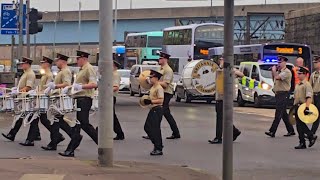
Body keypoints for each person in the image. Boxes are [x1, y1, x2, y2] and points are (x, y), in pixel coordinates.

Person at [59, 50, 98, 157]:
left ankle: (101, 144)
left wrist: (81, 87)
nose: (77, 61)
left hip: (85, 98)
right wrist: (71, 88)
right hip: (79, 98)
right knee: (80, 124)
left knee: (83, 124)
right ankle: (70, 149)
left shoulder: (89, 69)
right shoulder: (82, 69)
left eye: (78, 59)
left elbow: (94, 84)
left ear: (83, 59)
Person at [20, 56, 65, 146]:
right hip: (40, 97)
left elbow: (47, 88)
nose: (41, 64)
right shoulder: (45, 74)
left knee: (36, 118)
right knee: (40, 119)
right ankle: (57, 136)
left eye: (43, 63)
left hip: (43, 99)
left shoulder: (49, 75)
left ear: (47, 64)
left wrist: (39, 94)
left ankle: (30, 139)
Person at [41, 53, 80, 151]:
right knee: (57, 121)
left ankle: (70, 137)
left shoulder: (65, 71)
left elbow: (67, 83)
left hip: (61, 98)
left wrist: (55, 86)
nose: (56, 63)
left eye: (57, 61)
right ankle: (55, 141)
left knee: (57, 120)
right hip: (57, 97)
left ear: (62, 61)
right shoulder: (61, 71)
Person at [143, 52, 180, 140]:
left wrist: (153, 82)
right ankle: (175, 132)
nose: (159, 60)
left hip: (166, 93)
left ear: (165, 59)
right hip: (162, 92)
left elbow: (165, 84)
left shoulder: (168, 70)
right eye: (159, 58)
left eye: (161, 58)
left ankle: (153, 132)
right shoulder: (161, 68)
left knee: (158, 113)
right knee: (166, 114)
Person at [208, 57, 242, 144]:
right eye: (220, 60)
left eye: (222, 60)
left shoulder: (230, 70)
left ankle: (218, 137)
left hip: (225, 98)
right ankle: (235, 131)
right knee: (223, 118)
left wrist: (229, 68)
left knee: (221, 118)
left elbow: (241, 74)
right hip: (219, 96)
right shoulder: (219, 71)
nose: (220, 61)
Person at [2, 57, 36, 142]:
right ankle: (12, 134)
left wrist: (17, 91)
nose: (22, 65)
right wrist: (16, 89)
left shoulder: (30, 74)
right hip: (23, 98)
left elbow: (28, 87)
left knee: (32, 119)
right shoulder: (25, 73)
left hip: (27, 98)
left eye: (23, 64)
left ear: (27, 64)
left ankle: (29, 139)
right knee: (21, 117)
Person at [265, 55, 295, 138]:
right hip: (278, 94)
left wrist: (274, 71)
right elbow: (274, 79)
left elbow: (277, 77)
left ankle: (272, 131)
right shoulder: (280, 71)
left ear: (285, 62)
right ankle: (291, 130)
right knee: (284, 114)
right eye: (278, 62)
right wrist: (273, 71)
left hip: (283, 94)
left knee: (278, 113)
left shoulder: (287, 72)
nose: (279, 63)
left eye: (280, 62)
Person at [96, 61, 125, 140]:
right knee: (109, 115)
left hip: (110, 97)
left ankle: (100, 130)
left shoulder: (115, 74)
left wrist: (105, 91)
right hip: (108, 97)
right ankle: (119, 133)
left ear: (114, 66)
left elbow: (115, 87)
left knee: (109, 115)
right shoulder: (110, 74)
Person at [293, 66, 317, 149]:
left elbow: (309, 97)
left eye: (300, 74)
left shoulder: (307, 85)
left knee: (301, 124)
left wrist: (307, 108)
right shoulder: (298, 85)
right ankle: (304, 141)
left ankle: (309, 137)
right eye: (298, 73)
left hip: (303, 106)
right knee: (299, 125)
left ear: (305, 74)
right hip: (297, 106)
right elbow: (296, 97)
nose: (298, 75)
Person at [143, 70, 164, 155]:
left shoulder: (159, 88)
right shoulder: (153, 87)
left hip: (157, 109)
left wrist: (151, 101)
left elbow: (161, 100)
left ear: (156, 78)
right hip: (153, 109)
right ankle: (157, 144)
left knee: (155, 129)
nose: (150, 79)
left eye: (151, 77)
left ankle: (158, 148)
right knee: (147, 127)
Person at [309, 55, 320, 134]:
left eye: (316, 62)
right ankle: (312, 133)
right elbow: (310, 87)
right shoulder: (313, 74)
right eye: (314, 63)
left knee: (317, 115)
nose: (314, 64)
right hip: (315, 96)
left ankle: (312, 133)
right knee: (316, 115)